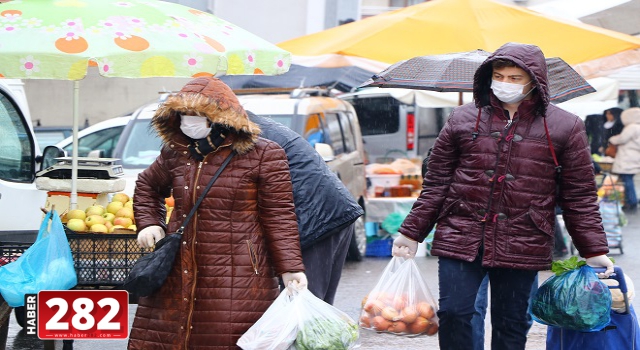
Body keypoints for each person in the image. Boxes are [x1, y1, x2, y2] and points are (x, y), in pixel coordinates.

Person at [392, 42, 614, 350]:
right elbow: (437, 181)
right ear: (488, 76)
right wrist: (411, 231)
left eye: (514, 78)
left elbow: (580, 196)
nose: (505, 84)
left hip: (523, 236)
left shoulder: (565, 126)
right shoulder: (463, 118)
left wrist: (594, 249)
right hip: (461, 232)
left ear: (534, 81)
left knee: (512, 322)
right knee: (455, 313)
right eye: (499, 76)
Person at [128, 77, 307, 349]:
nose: (189, 122)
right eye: (184, 115)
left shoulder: (264, 154)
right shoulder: (175, 152)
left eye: (198, 115)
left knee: (226, 338)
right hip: (177, 265)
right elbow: (147, 185)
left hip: (240, 272)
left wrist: (290, 267)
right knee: (171, 337)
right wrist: (150, 223)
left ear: (223, 117)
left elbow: (278, 215)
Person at [247, 111, 364, 304]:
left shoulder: (247, 135)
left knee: (305, 305)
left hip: (315, 217)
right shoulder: (258, 125)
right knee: (316, 306)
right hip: (331, 209)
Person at [608, 107, 640, 212]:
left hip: (627, 157)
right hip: (634, 156)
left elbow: (622, 139)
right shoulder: (638, 127)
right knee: (629, 179)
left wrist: (612, 139)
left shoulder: (631, 127)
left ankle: (632, 201)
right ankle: (631, 200)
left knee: (627, 180)